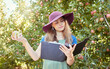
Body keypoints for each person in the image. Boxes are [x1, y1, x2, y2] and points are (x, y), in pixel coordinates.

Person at [11, 11, 77, 69]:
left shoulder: (71, 39)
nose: (60, 24)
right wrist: (24, 41)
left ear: (65, 22)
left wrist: (69, 55)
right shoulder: (45, 39)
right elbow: (35, 57)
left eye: (62, 21)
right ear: (52, 25)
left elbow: (69, 63)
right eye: (56, 22)